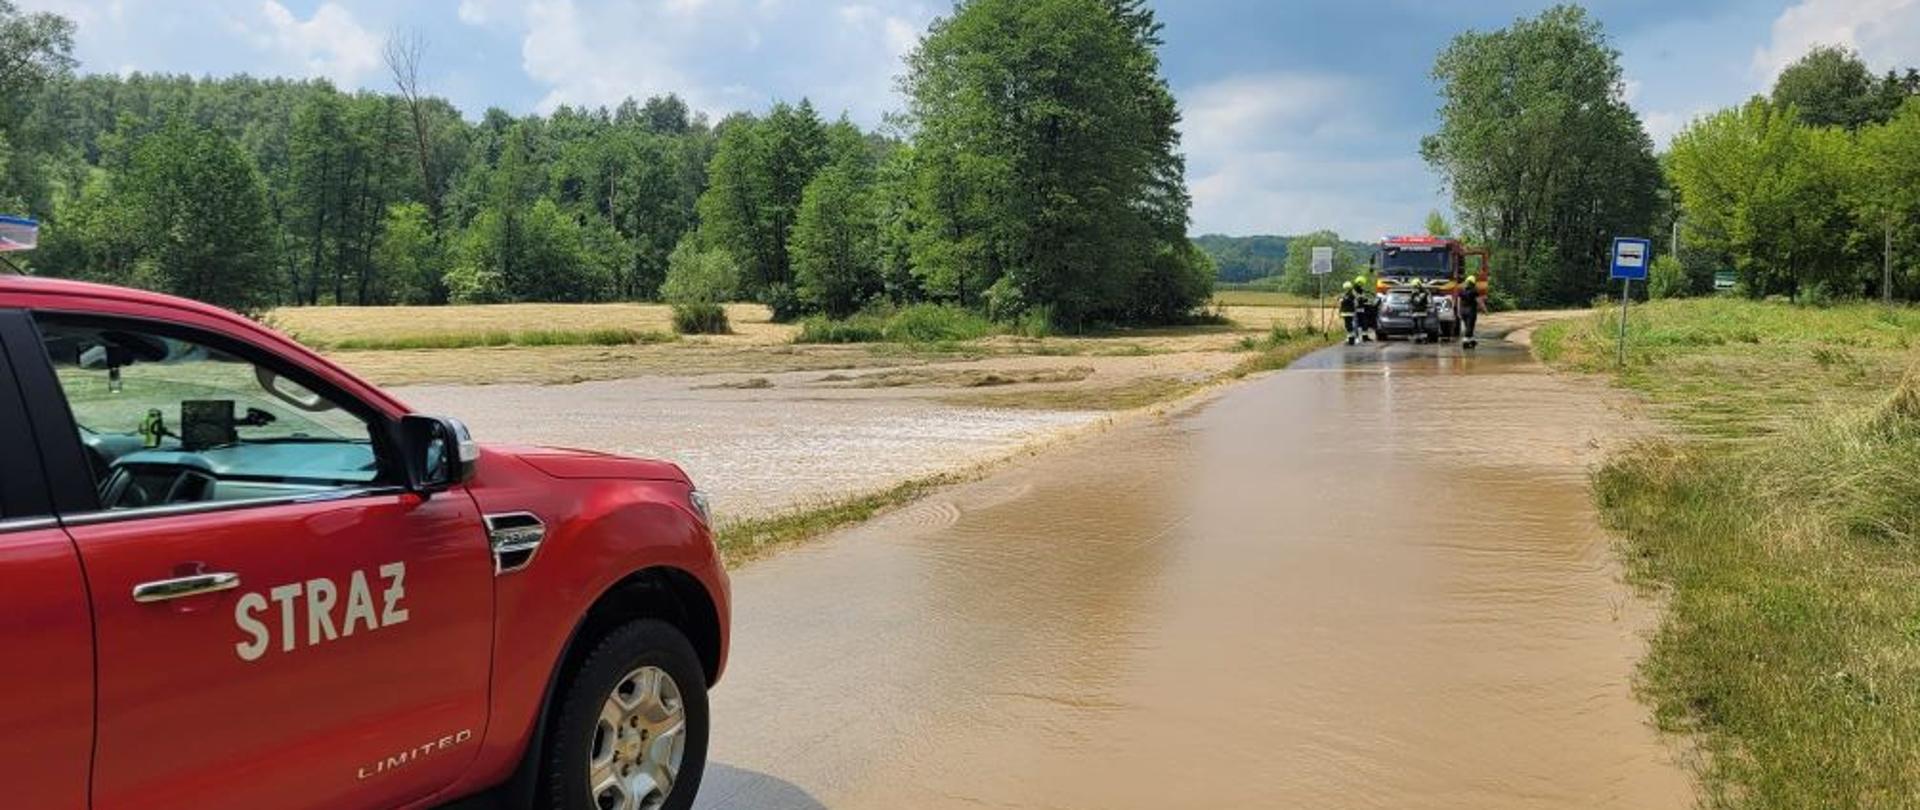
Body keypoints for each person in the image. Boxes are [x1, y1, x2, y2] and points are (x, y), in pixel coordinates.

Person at [1459, 274, 1487, 349]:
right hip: (1471, 311)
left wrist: (1459, 311)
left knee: (1467, 326)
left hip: (1462, 311)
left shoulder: (1462, 291)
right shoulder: (1474, 291)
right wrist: (1484, 310)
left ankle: (1471, 340)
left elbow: (1459, 301)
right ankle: (1465, 340)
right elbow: (1479, 301)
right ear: (1473, 283)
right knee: (1470, 326)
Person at [1353, 274, 1377, 341]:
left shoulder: (1360, 289)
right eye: (1362, 284)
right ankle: (1356, 336)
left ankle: (1365, 336)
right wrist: (1364, 299)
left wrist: (1366, 299)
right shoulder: (1355, 290)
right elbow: (1358, 298)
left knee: (1364, 322)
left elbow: (1363, 297)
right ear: (1359, 282)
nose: (1362, 285)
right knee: (1357, 322)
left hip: (1361, 307)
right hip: (1357, 307)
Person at [1408, 279, 1433, 343]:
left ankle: (1424, 339)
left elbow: (1418, 301)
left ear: (1418, 286)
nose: (1413, 288)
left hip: (1422, 311)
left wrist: (1414, 295)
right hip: (1415, 311)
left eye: (1414, 286)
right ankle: (1417, 338)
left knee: (1421, 325)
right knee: (1415, 325)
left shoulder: (1423, 293)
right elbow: (1410, 302)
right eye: (1413, 287)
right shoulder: (1414, 293)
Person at [1337, 281, 1361, 345]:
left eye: (1346, 288)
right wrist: (1340, 298)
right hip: (1347, 312)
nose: (1345, 289)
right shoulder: (1347, 294)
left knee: (1348, 326)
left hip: (1348, 312)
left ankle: (1351, 340)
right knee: (1348, 325)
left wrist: (1342, 300)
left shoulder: (1350, 294)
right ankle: (1349, 338)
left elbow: (1347, 301)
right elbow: (1343, 299)